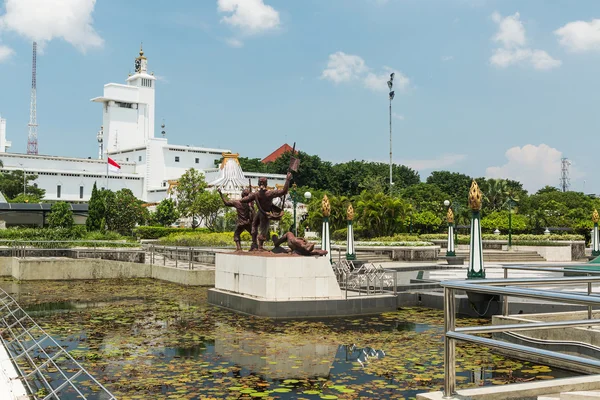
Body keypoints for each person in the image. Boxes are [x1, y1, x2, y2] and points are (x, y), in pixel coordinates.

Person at [240, 172, 292, 251]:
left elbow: (243, 200)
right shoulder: (270, 193)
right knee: (262, 229)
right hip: (265, 213)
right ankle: (259, 246)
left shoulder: (256, 194)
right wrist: (287, 180)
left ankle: (254, 244)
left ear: (258, 183)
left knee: (254, 226)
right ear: (266, 184)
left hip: (260, 213)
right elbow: (284, 191)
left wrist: (247, 195)